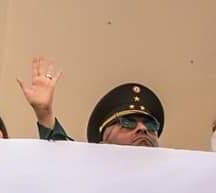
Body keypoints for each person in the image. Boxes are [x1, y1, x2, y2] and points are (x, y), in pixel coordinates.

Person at [18, 57, 165, 146]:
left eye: (151, 125)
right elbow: (62, 160)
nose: (143, 128)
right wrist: (45, 114)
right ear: (103, 142)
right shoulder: (89, 174)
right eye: (128, 123)